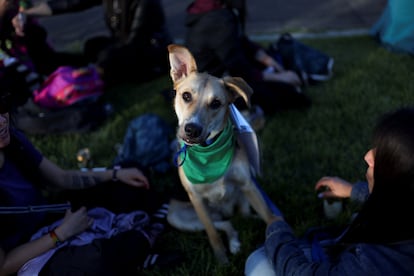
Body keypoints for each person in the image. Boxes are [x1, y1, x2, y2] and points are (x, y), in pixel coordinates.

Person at [0, 88, 181, 275]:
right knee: (97, 260)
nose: (1, 121)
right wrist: (59, 234)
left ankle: (134, 246)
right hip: (27, 258)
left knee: (129, 175)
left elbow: (62, 178)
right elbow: (3, 267)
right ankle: (145, 238)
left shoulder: (14, 141)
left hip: (50, 216)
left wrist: (115, 175)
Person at [245, 107, 414, 275]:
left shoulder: (375, 264)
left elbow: (301, 273)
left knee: (258, 264)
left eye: (382, 158)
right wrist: (352, 190)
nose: (368, 156)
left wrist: (277, 231)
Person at [184, 0, 311, 115]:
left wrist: (267, 60)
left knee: (271, 61)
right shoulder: (219, 19)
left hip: (216, 75)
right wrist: (279, 77)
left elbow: (240, 41)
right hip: (210, 87)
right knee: (290, 96)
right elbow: (239, 69)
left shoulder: (211, 8)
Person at [14, 0, 173, 86]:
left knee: (106, 57)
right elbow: (71, 3)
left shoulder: (146, 3)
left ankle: (91, 80)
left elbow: (136, 43)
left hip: (150, 55)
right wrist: (27, 12)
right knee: (92, 45)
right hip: (124, 46)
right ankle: (77, 73)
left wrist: (101, 66)